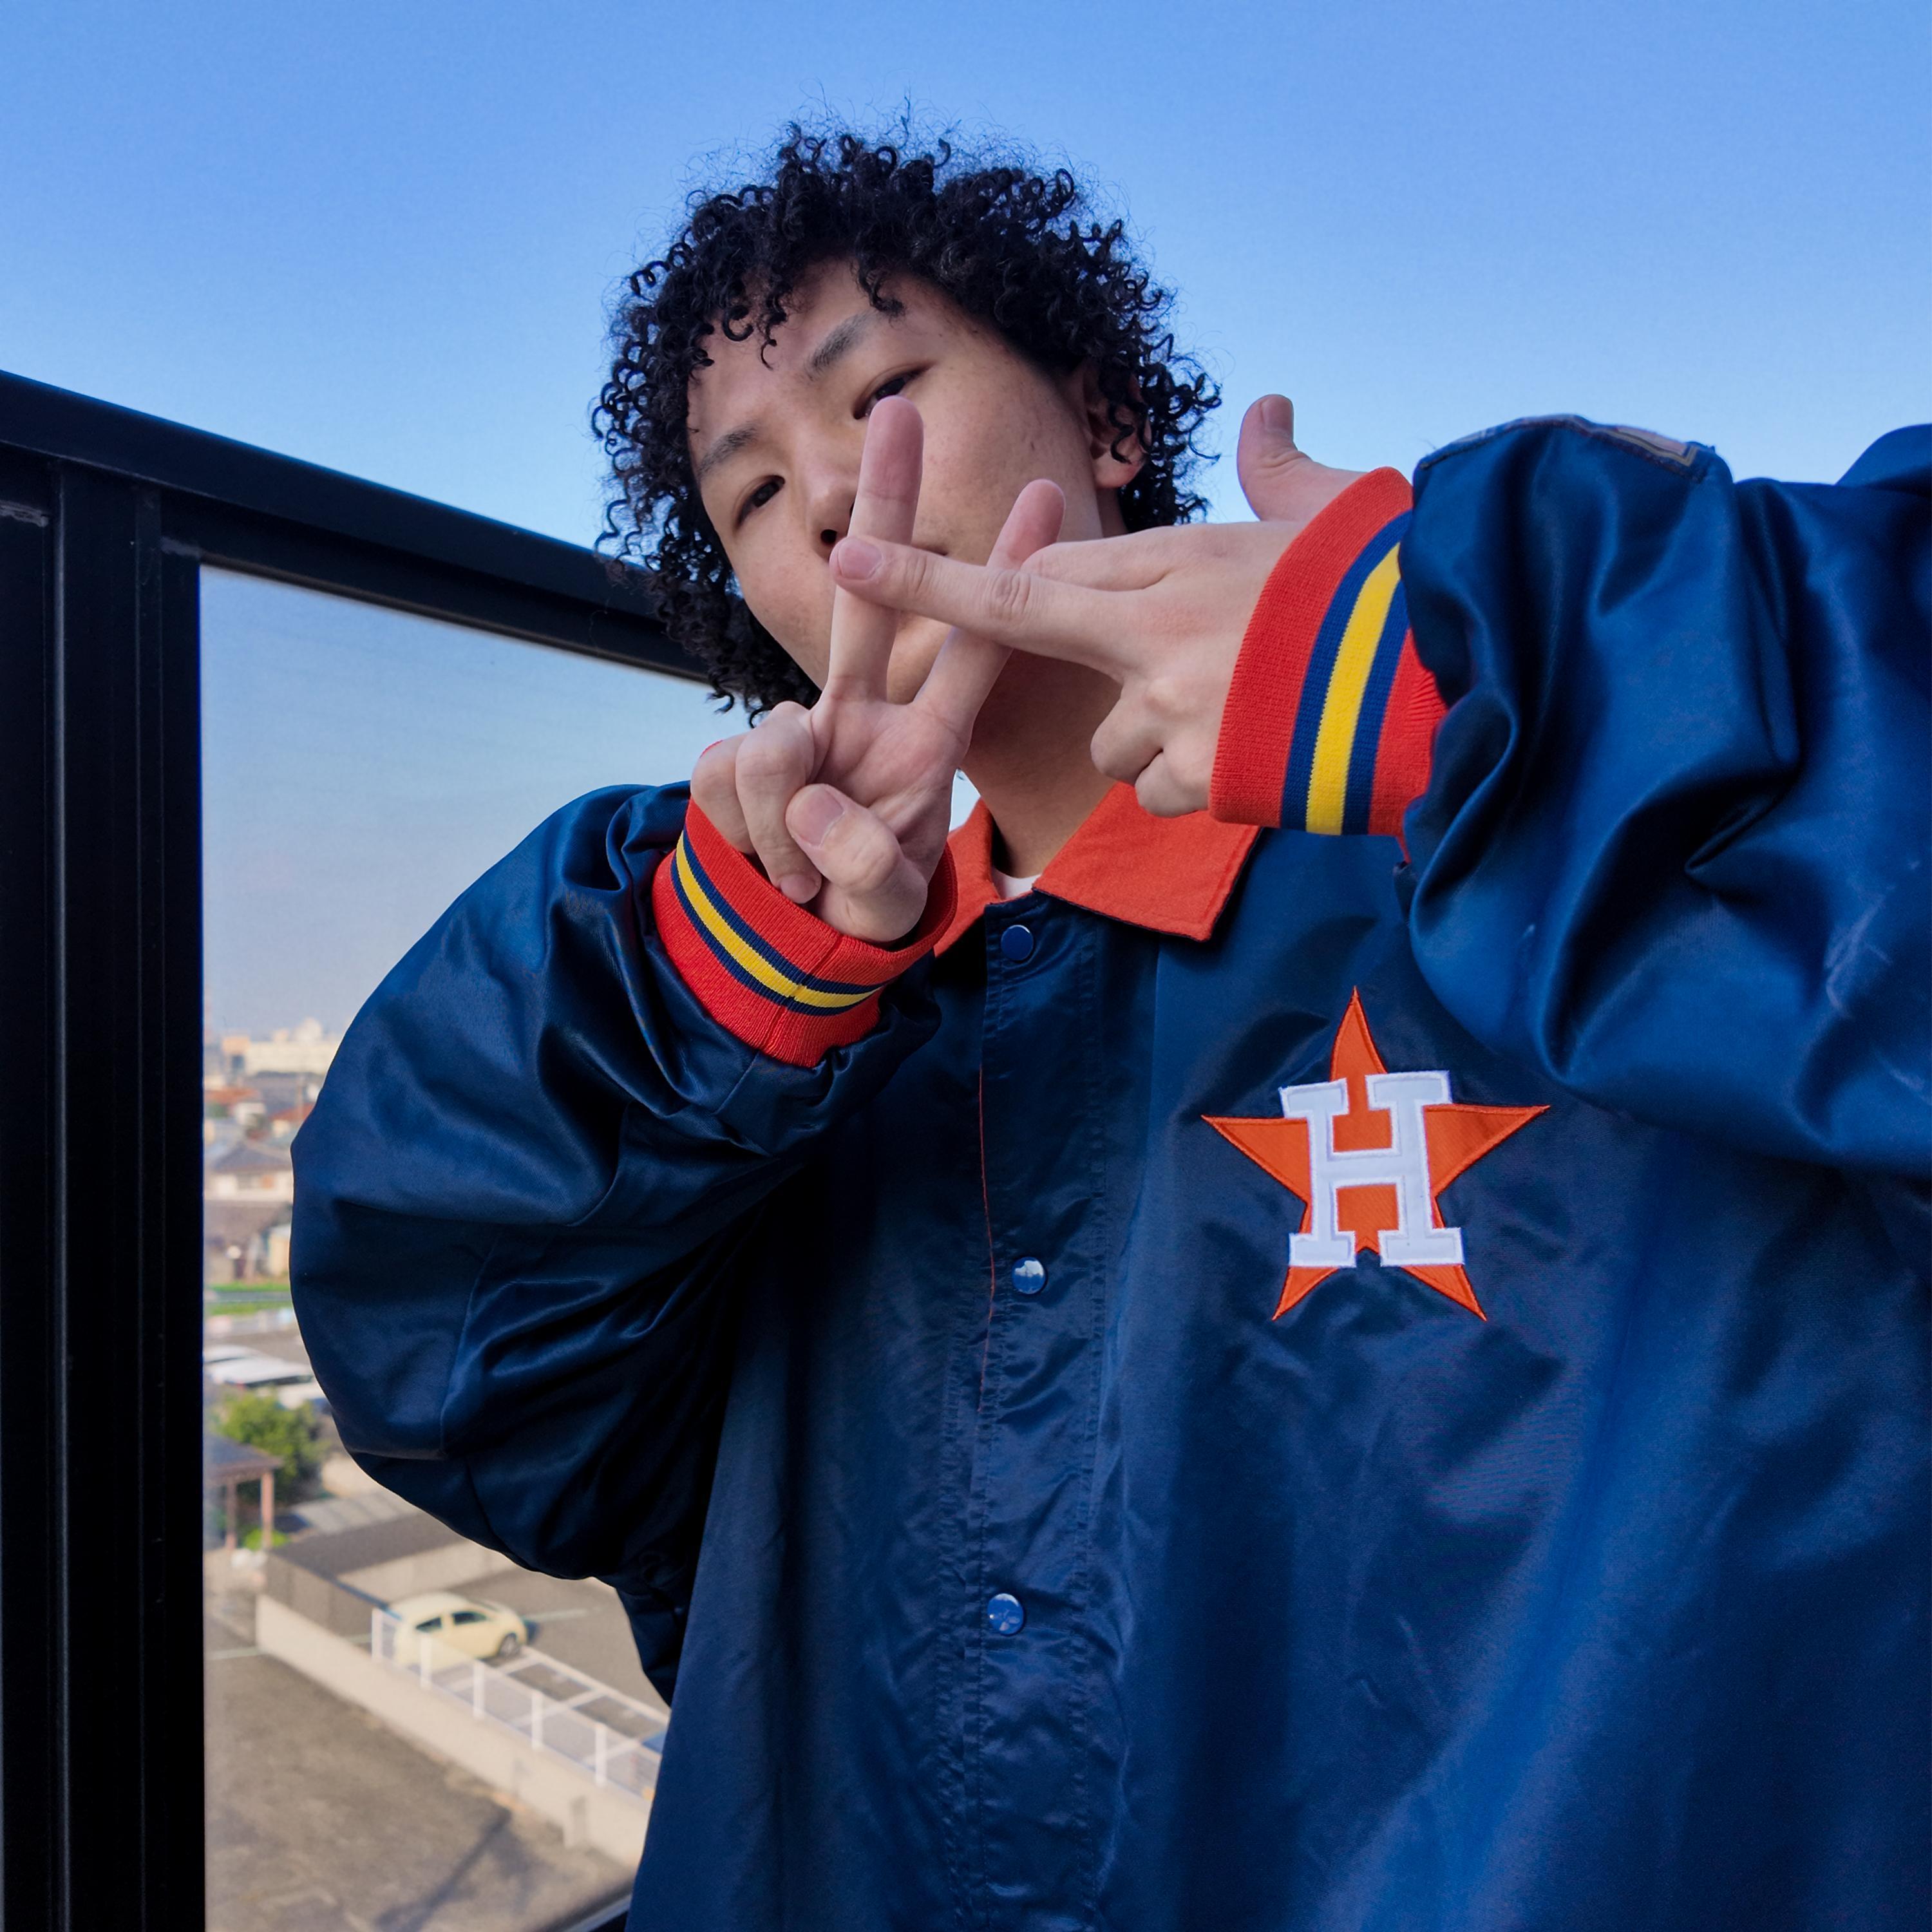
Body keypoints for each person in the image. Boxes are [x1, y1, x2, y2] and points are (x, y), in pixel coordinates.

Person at [291, 127, 1930, 1931]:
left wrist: (1539, 685)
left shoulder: (1537, 879)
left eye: (881, 391)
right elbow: (446, 1363)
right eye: (747, 495)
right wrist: (709, 991)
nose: (832, 495)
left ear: (1105, 409)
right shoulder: (769, 1054)